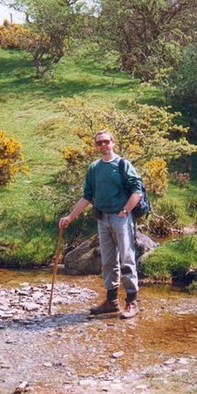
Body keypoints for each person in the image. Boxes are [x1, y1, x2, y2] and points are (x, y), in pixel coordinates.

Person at [59, 130, 142, 319]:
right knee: (108, 262)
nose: (103, 145)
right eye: (99, 143)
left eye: (106, 142)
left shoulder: (123, 164)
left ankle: (132, 302)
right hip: (102, 218)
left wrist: (125, 211)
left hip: (121, 218)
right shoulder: (94, 168)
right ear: (96, 146)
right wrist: (70, 218)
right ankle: (111, 302)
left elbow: (137, 191)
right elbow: (87, 197)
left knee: (127, 260)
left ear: (113, 142)